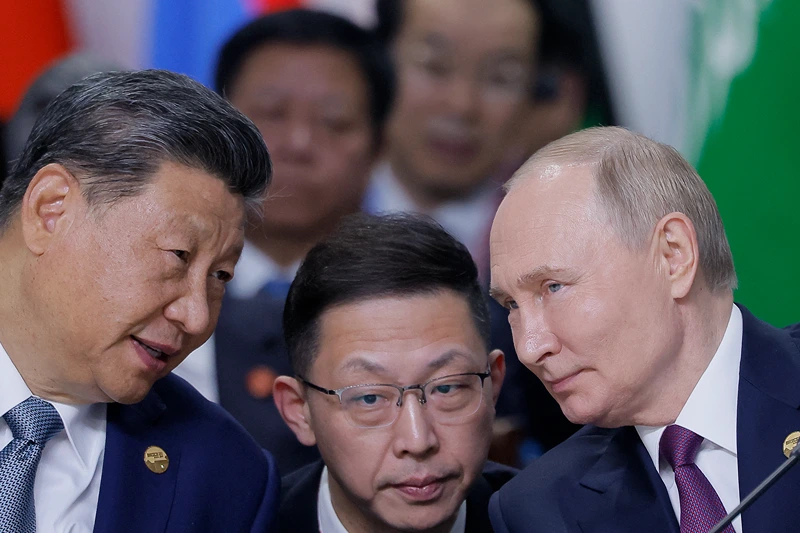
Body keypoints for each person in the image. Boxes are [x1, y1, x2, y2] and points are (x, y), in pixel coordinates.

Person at [0, 70, 279, 532]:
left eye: (220, 276)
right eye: (178, 256)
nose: (196, 315)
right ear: (52, 209)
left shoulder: (224, 475)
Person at [487, 126, 800, 532]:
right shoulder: (540, 509)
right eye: (511, 305)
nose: (529, 348)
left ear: (673, 256)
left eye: (553, 287)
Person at [173, 8, 394, 475]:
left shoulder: (415, 299)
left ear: (379, 144)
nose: (297, 143)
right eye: (270, 115)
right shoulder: (154, 287)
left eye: (334, 122)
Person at [273, 213, 515, 533]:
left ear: (492, 386)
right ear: (299, 412)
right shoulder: (245, 524)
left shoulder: (548, 520)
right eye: (370, 397)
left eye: (447, 389)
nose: (417, 440)